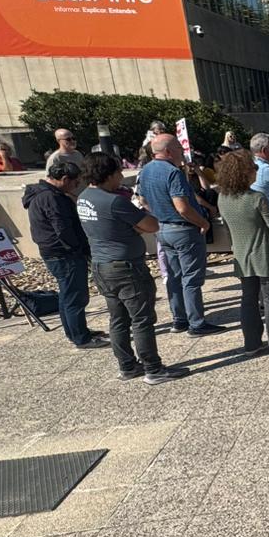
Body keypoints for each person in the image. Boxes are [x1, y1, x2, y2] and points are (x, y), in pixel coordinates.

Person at [75, 152, 187, 384]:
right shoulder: (115, 201)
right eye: (118, 173)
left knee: (118, 319)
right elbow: (151, 224)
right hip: (126, 268)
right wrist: (139, 217)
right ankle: (153, 369)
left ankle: (127, 366)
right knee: (141, 319)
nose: (121, 177)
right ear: (107, 174)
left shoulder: (84, 197)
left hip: (101, 266)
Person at [215, 150, 269, 358]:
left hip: (242, 254)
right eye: (252, 169)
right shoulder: (256, 198)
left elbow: (227, 228)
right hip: (264, 252)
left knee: (249, 299)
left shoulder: (222, 198)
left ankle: (252, 343)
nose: (255, 172)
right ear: (243, 173)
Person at [136, 133, 221, 337]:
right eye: (179, 148)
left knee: (174, 276)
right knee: (191, 277)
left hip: (162, 228)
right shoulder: (173, 173)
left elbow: (142, 199)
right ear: (168, 151)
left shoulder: (145, 170)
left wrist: (158, 213)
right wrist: (203, 222)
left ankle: (179, 319)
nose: (183, 151)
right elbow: (182, 207)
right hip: (183, 229)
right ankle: (197, 323)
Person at [21, 159, 105, 350]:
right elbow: (62, 228)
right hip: (63, 253)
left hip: (55, 252)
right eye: (75, 182)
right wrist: (79, 248)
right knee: (75, 296)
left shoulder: (43, 194)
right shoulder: (51, 198)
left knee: (67, 295)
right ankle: (81, 337)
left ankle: (75, 331)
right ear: (65, 179)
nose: (76, 186)